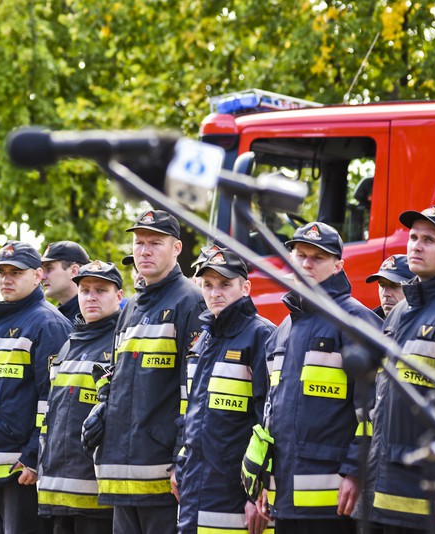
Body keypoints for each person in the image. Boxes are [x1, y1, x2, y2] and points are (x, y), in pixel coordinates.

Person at [253, 222, 381, 534]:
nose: (307, 263)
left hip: (335, 500)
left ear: (338, 265)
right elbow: (271, 412)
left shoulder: (355, 321)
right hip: (284, 496)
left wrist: (354, 471)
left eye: (318, 257)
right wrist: (264, 480)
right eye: (301, 255)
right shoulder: (283, 329)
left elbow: (374, 406)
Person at [87, 209, 205, 534]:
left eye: (155, 242)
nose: (144, 250)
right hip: (123, 472)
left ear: (177, 248)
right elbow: (119, 379)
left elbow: (195, 391)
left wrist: (183, 457)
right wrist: (103, 409)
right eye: (139, 242)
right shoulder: (132, 309)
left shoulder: (191, 302)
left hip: (163, 472)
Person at [0, 241, 72, 533]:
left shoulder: (48, 324)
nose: (5, 279)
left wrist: (33, 457)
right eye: (0, 272)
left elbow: (55, 401)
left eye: (15, 272)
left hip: (22, 471)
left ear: (37, 276)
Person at [358, 206, 435, 534]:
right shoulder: (399, 312)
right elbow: (380, 401)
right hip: (382, 489)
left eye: (428, 239)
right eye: (413, 237)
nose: (415, 245)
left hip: (426, 495)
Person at [175, 249, 275, 534]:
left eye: (224, 284)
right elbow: (194, 415)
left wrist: (255, 493)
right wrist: (181, 463)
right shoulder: (204, 338)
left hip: (236, 490)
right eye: (208, 284)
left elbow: (268, 421)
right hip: (196, 484)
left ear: (245, 288)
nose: (215, 292)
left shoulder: (261, 335)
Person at [38, 260, 124, 534]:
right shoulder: (68, 345)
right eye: (85, 290)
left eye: (101, 290)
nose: (91, 297)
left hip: (96, 492)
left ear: (119, 296)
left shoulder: (121, 342)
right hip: (57, 490)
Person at [41, 241, 91, 323]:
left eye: (49, 268)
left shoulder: (93, 314)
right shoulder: (52, 316)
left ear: (74, 271)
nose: (42, 277)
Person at [364, 254, 413, 319]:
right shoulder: (369, 323)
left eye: (394, 285)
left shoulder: (427, 324)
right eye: (382, 285)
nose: (385, 293)